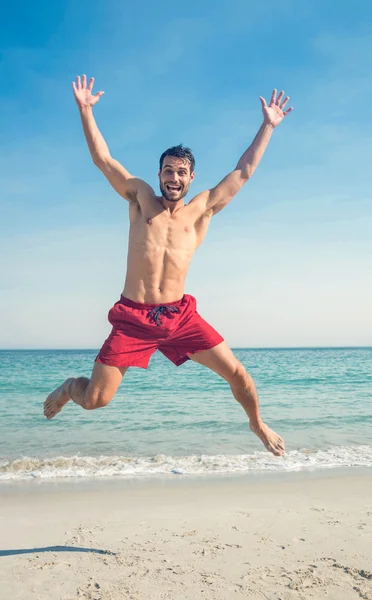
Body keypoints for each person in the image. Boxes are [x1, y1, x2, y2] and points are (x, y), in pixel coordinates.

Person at [44, 75, 293, 457]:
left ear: (191, 177)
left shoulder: (202, 209)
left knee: (240, 375)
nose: (173, 178)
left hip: (178, 316)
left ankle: (257, 424)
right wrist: (85, 110)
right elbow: (103, 160)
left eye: (180, 172)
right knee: (95, 399)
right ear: (158, 173)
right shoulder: (141, 198)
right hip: (133, 317)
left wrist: (268, 126)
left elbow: (243, 172)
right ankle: (67, 388)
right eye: (167, 171)